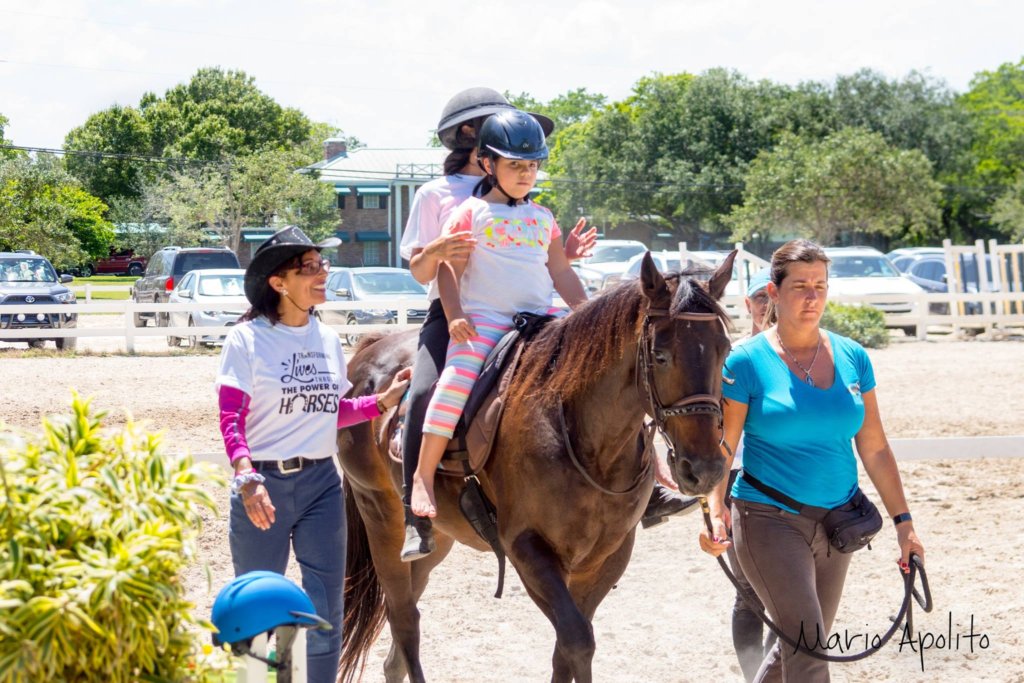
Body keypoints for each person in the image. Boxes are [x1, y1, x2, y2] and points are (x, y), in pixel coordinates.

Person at [699, 239, 925, 682]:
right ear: (775, 292)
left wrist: (905, 523)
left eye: (820, 286)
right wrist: (714, 512)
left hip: (839, 522)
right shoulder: (745, 361)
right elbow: (723, 448)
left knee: (796, 649)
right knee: (809, 650)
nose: (812, 297)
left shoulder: (853, 357)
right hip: (769, 520)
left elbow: (875, 446)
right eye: (800, 286)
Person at [398, 87, 598, 560]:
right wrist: (455, 315)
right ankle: (417, 497)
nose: (527, 168)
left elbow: (549, 266)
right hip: (466, 315)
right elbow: (432, 268)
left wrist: (583, 305)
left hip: (535, 316)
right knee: (430, 392)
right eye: (516, 160)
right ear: (475, 140)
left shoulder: (537, 209)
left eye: (532, 163)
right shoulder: (441, 196)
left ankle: (644, 479)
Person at [215, 226, 410, 683]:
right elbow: (231, 418)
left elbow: (329, 411)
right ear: (278, 283)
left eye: (322, 264)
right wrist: (246, 477)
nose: (323, 273)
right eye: (310, 267)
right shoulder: (246, 340)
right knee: (263, 608)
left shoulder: (325, 337)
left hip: (322, 483)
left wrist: (380, 403)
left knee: (326, 607)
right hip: (262, 484)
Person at [722, 268, 775, 681]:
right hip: (742, 479)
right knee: (749, 593)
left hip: (793, 477)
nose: (768, 307)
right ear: (748, 306)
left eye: (772, 296)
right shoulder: (734, 357)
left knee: (792, 597)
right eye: (760, 298)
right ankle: (755, 676)